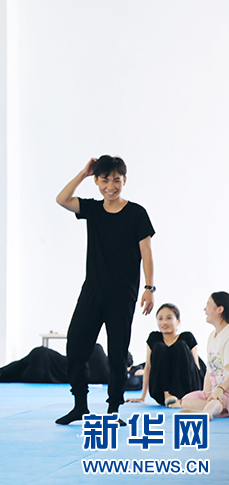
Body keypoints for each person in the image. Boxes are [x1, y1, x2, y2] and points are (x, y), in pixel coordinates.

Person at [53, 156, 154, 425]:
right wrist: (83, 173)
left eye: (116, 180)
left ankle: (113, 411)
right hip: (92, 291)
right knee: (76, 346)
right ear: (97, 181)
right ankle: (80, 407)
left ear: (124, 180)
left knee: (117, 354)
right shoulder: (93, 209)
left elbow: (146, 253)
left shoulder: (136, 213)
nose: (111, 186)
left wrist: (149, 287)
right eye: (105, 180)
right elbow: (62, 199)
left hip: (122, 295)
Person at [127, 303, 203, 406]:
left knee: (180, 346)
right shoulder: (154, 338)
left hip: (187, 390)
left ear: (178, 321)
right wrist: (143, 397)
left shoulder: (187, 337)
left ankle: (178, 397)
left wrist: (201, 397)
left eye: (169, 318)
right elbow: (148, 368)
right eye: (160, 319)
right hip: (161, 392)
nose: (164, 322)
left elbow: (195, 368)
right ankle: (168, 395)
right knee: (160, 347)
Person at [172, 292, 229, 419]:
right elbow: (210, 370)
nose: (205, 309)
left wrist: (220, 389)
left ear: (220, 309)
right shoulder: (212, 336)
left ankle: (207, 412)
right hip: (218, 391)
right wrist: (207, 394)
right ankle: (219, 410)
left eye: (208, 305)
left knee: (217, 400)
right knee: (186, 400)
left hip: (225, 390)